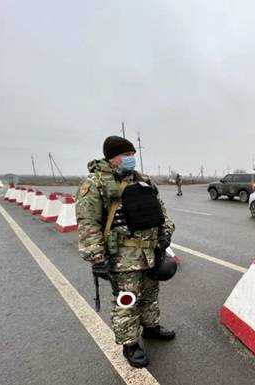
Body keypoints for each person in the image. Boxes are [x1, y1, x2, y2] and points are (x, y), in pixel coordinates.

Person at [76, 135, 176, 368]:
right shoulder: (95, 184)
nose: (131, 158)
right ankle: (130, 344)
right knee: (127, 300)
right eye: (126, 155)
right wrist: (96, 257)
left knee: (151, 294)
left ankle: (151, 328)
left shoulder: (143, 181)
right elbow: (87, 223)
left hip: (151, 252)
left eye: (133, 154)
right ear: (112, 157)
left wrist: (166, 233)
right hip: (122, 258)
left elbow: (161, 213)